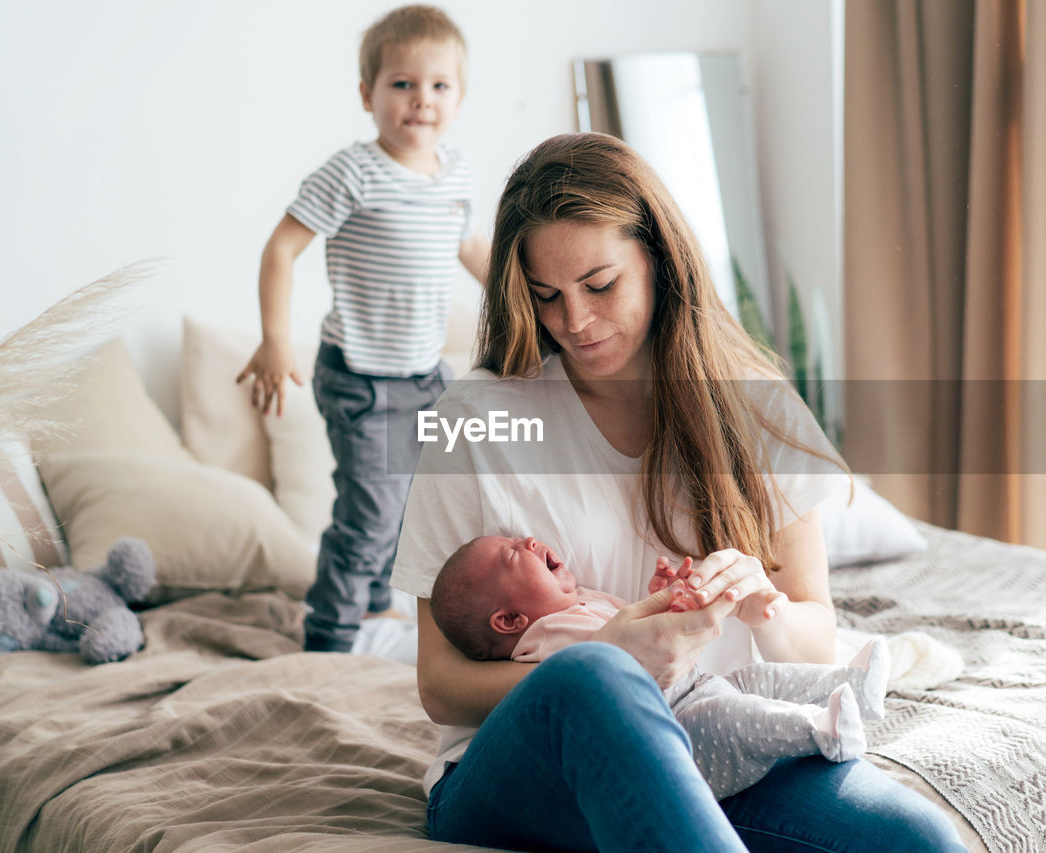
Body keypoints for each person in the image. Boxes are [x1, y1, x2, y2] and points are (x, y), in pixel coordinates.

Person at [391, 132, 967, 851]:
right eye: (547, 296)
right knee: (593, 674)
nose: (574, 321)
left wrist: (765, 607)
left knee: (919, 841)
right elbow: (440, 682)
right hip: (513, 768)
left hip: (714, 747)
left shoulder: (756, 405)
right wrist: (609, 657)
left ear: (660, 261)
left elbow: (816, 630)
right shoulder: (474, 417)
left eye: (600, 285)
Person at [235, 5, 490, 652]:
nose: (421, 100)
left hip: (426, 376)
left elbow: (472, 251)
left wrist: (530, 299)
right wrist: (274, 339)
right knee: (369, 512)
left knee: (412, 505)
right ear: (367, 94)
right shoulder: (353, 171)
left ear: (460, 96)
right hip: (361, 378)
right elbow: (279, 250)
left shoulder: (455, 172)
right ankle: (327, 635)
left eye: (439, 86)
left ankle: (376, 606)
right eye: (402, 84)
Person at [430, 534, 891, 799]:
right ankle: (818, 728)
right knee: (740, 719)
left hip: (694, 687)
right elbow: (589, 676)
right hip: (679, 725)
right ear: (509, 621)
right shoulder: (540, 640)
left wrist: (666, 597)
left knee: (753, 681)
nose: (529, 540)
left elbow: (642, 638)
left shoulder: (585, 602)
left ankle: (850, 684)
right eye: (515, 553)